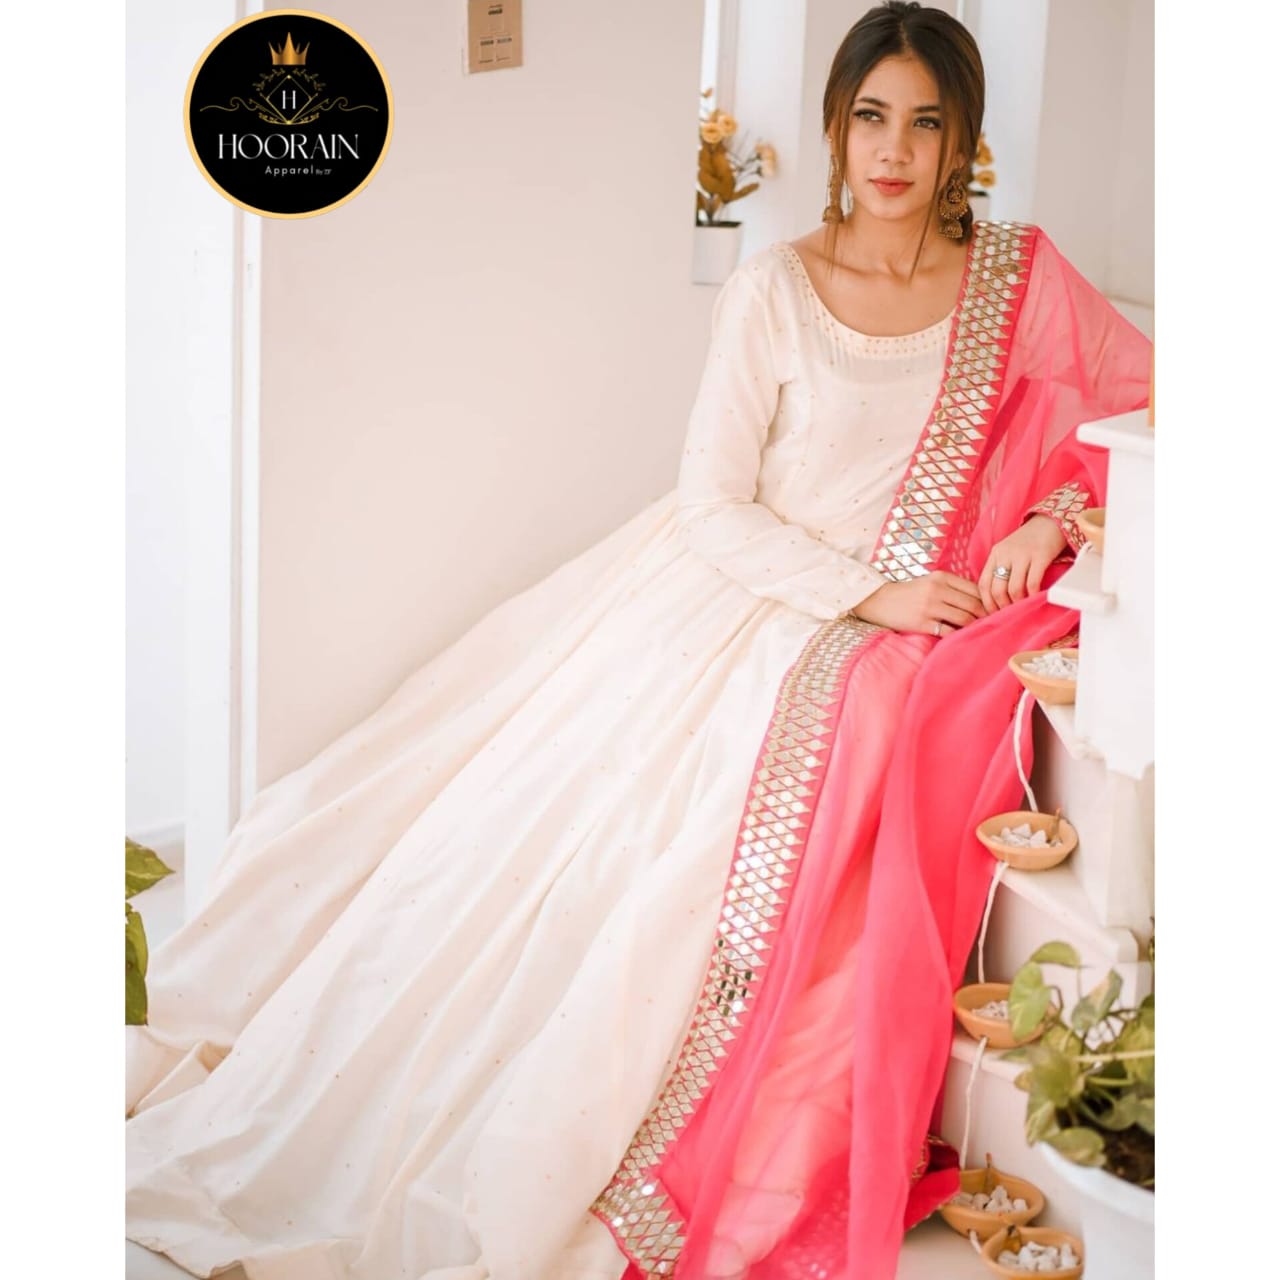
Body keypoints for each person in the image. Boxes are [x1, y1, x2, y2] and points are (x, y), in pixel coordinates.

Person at [125, 4, 1152, 1278]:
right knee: (616, 864)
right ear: (835, 128)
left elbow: (1142, 401)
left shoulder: (1012, 277)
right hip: (746, 598)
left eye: (924, 122)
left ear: (963, 140)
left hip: (898, 633)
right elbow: (713, 507)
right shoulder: (777, 289)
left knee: (883, 725)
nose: (893, 150)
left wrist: (1055, 515)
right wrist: (868, 596)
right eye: (869, 117)